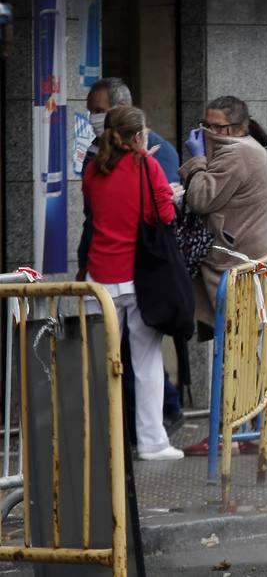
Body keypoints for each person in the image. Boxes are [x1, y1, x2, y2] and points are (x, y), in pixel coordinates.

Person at [78, 77, 184, 438]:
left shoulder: (92, 170)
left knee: (100, 363)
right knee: (146, 362)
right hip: (136, 278)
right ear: (138, 136)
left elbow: (94, 208)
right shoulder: (147, 167)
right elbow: (164, 216)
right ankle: (152, 440)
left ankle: (101, 439)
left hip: (98, 277)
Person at [179, 95, 267, 458]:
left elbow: (202, 198)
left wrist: (194, 163)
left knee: (234, 354)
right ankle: (257, 431)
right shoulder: (247, 148)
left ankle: (227, 435)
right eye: (204, 125)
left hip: (237, 269)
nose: (206, 132)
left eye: (215, 127)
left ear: (236, 127)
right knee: (245, 355)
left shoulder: (236, 152)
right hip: (249, 265)